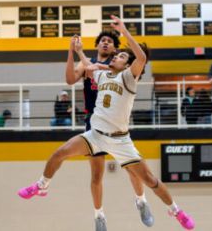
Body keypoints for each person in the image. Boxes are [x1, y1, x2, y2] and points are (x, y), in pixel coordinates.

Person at [18, 16, 195, 230]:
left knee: (150, 180)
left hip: (120, 140)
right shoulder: (102, 75)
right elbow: (86, 66)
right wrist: (78, 50)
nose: (115, 55)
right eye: (117, 53)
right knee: (59, 153)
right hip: (96, 135)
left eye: (121, 55)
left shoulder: (129, 78)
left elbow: (140, 57)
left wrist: (124, 32)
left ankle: (176, 211)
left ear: (127, 64)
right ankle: (41, 185)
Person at [64, 30, 153, 229]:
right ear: (97, 45)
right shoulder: (86, 63)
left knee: (133, 170)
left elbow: (134, 66)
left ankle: (141, 200)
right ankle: (99, 215)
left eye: (110, 41)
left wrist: (94, 63)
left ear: (115, 48)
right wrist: (72, 52)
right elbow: (70, 80)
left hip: (116, 125)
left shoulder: (120, 66)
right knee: (96, 176)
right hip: (94, 123)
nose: (105, 43)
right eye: (102, 40)